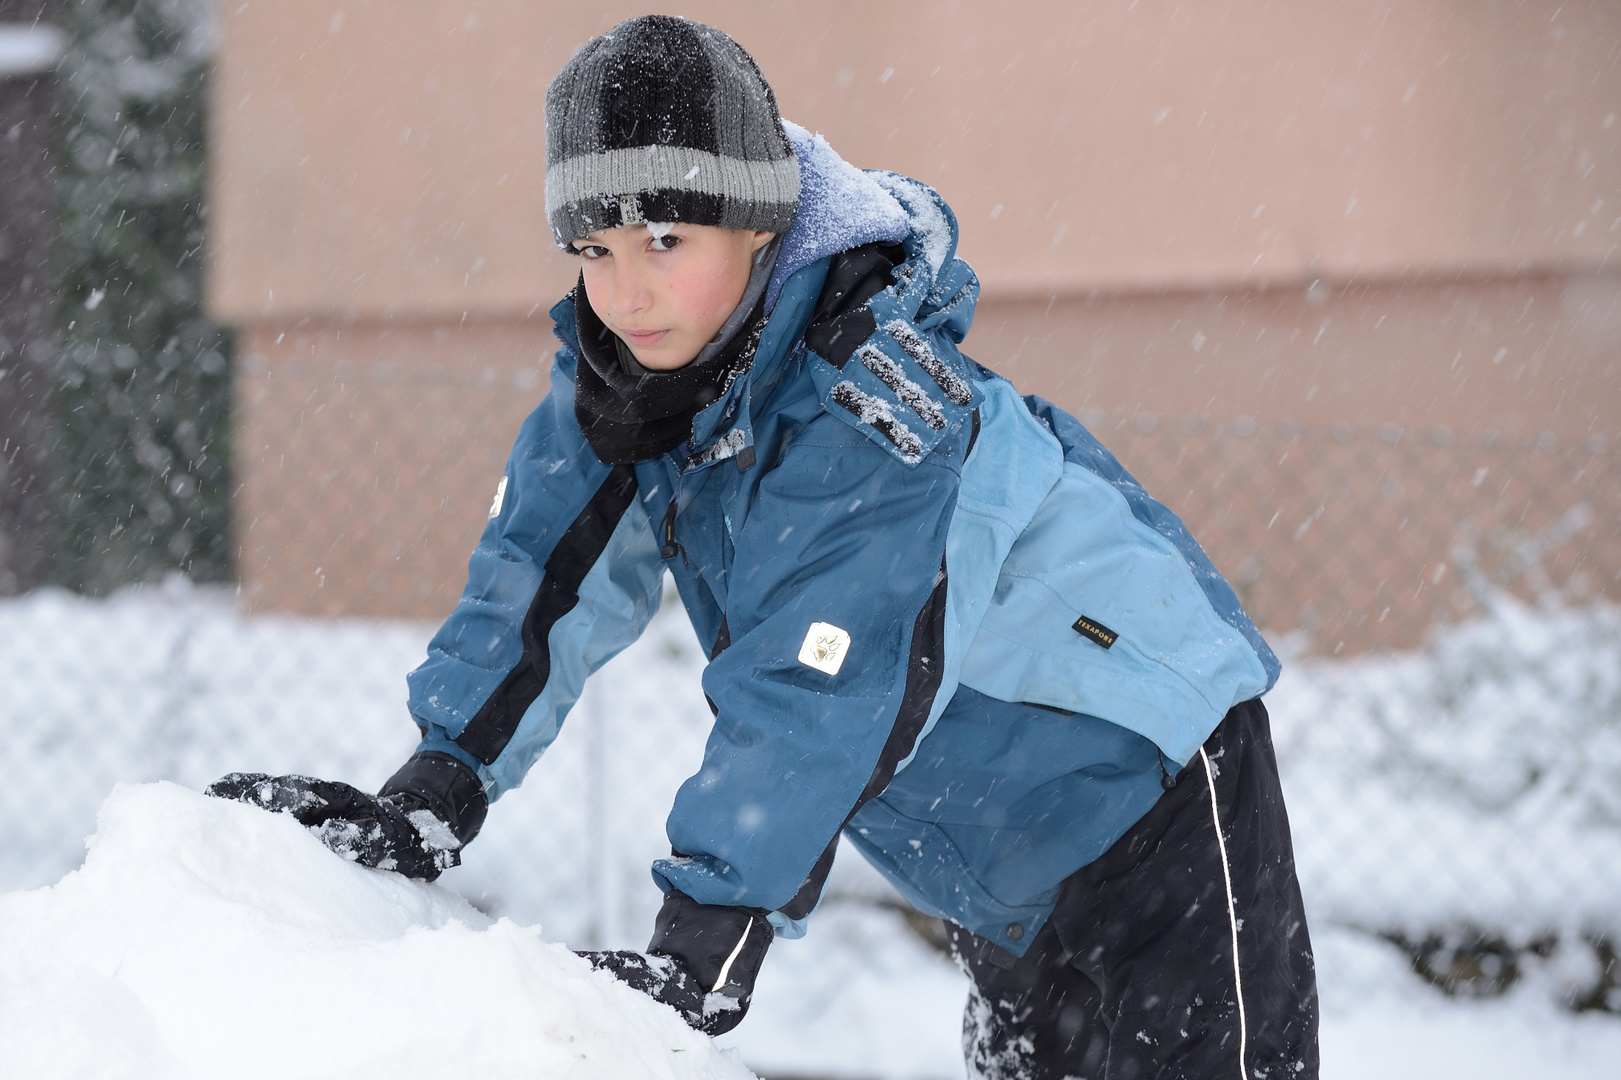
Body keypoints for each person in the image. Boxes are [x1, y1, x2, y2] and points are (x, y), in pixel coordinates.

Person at [210, 15, 1318, 1079]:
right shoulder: (632, 377)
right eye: (593, 247)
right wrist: (435, 789)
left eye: (663, 239)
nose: (625, 288)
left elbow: (812, 673)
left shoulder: (874, 404)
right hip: (981, 838)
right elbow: (536, 579)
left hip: (1151, 779)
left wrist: (705, 940)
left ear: (759, 226)